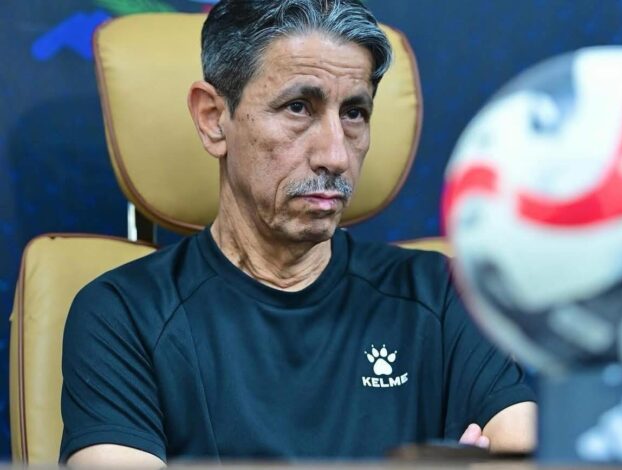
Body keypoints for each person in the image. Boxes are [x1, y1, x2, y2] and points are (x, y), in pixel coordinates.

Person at [60, 0, 537, 466]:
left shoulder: (445, 296)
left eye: (354, 113)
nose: (335, 155)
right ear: (213, 119)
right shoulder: (123, 315)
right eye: (298, 107)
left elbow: (528, 449)